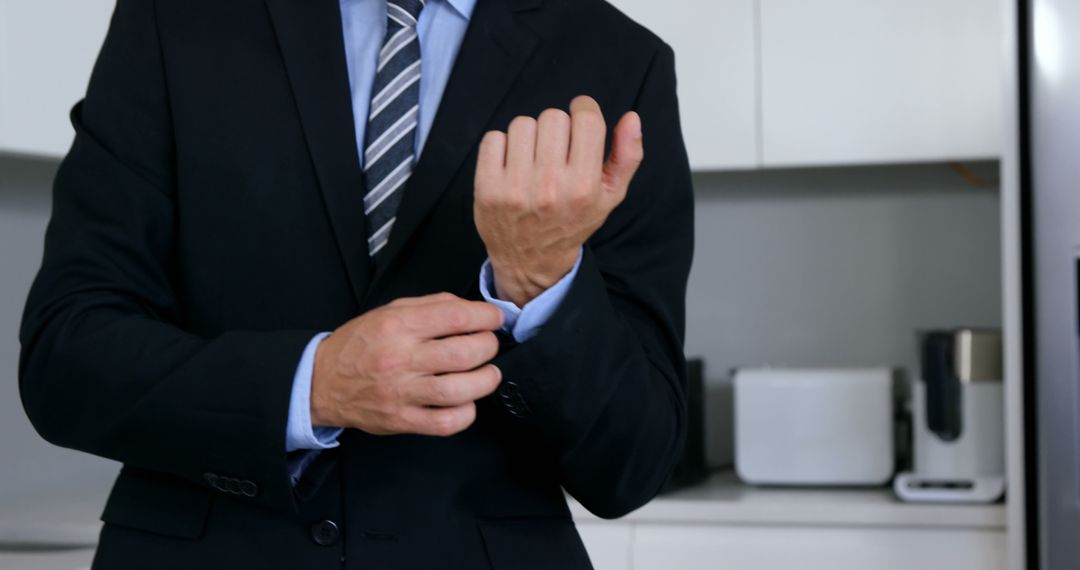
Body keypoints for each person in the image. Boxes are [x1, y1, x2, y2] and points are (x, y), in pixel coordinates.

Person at [18, 0, 694, 567]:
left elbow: (630, 466)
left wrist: (539, 278)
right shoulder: (176, 19)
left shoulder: (620, 62)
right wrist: (311, 385)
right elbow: (65, 358)